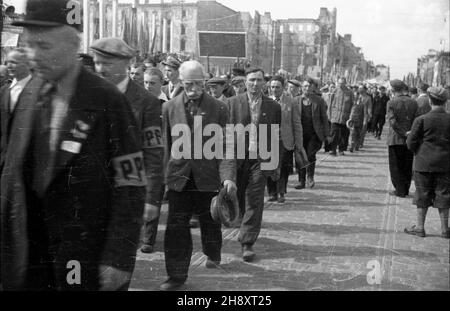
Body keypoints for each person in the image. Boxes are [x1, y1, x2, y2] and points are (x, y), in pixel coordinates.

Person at [1, 0, 146, 290]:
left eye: (44, 46)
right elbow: (11, 170)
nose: (33, 56)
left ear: (72, 44)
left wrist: (119, 256)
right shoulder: (28, 93)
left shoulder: (107, 101)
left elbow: (131, 184)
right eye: (29, 45)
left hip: (82, 252)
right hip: (29, 248)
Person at [160, 60, 236, 290]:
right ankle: (176, 275)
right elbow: (166, 146)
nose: (193, 87)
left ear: (204, 80)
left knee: (210, 222)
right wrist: (163, 181)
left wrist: (228, 176)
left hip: (208, 176)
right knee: (175, 227)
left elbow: (227, 145)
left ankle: (213, 252)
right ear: (181, 82)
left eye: (198, 82)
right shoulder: (169, 108)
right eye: (188, 82)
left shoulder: (219, 108)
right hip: (179, 176)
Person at [90, 37, 164, 256]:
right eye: (97, 62)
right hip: (92, 186)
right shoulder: (89, 94)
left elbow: (153, 153)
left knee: (118, 258)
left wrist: (151, 198)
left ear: (126, 64)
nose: (100, 68)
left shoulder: (147, 102)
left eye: (107, 63)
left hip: (128, 187)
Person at [227, 67, 281, 262]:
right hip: (238, 157)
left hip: (261, 159)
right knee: (239, 195)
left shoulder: (273, 107)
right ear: (245, 82)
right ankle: (240, 221)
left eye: (259, 80)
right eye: (251, 80)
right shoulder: (232, 103)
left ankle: (247, 242)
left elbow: (276, 137)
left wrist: (275, 164)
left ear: (264, 83)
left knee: (255, 198)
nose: (255, 84)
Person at [404, 86, 450, 239]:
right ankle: (445, 229)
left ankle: (420, 227)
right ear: (445, 102)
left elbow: (410, 143)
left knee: (422, 195)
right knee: (444, 195)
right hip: (445, 165)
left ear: (430, 101)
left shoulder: (422, 120)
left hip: (423, 164)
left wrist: (420, 152)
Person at [266, 75, 302, 203]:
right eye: (272, 87)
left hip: (285, 140)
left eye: (277, 87)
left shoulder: (291, 102)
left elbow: (296, 123)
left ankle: (281, 192)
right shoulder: (266, 101)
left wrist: (298, 143)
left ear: (283, 87)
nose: (274, 90)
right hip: (269, 139)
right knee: (270, 166)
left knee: (284, 167)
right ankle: (272, 192)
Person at [1, 48, 34, 171]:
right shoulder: (3, 91)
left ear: (28, 64)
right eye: (7, 61)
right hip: (4, 159)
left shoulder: (39, 90)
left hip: (28, 162)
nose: (9, 66)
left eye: (14, 62)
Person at [295, 79, 331, 189]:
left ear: (313, 88)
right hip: (300, 133)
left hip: (314, 134)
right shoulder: (295, 100)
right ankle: (301, 181)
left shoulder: (319, 101)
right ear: (302, 87)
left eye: (309, 86)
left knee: (310, 155)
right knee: (300, 156)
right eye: (305, 86)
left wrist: (327, 134)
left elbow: (324, 118)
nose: (307, 88)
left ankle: (310, 177)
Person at [386, 80, 418, 198]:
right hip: (409, 138)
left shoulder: (391, 102)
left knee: (395, 165)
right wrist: (410, 133)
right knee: (407, 165)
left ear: (393, 90)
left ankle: (399, 190)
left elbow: (392, 122)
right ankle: (405, 189)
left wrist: (403, 133)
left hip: (395, 138)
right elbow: (417, 120)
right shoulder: (413, 102)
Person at [327, 77, 354, 156]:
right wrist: (329, 114)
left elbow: (353, 105)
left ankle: (341, 150)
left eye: (342, 83)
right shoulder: (335, 91)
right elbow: (330, 104)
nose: (340, 85)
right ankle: (333, 149)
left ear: (345, 83)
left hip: (346, 118)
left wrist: (351, 116)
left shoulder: (350, 92)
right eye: (339, 83)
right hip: (335, 117)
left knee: (344, 135)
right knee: (333, 134)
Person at [357, 84, 373, 149]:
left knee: (363, 130)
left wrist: (369, 115)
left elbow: (370, 107)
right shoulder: (357, 96)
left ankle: (360, 143)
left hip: (365, 115)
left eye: (361, 88)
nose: (360, 90)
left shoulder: (368, 98)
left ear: (365, 90)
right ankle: (355, 142)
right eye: (359, 88)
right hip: (357, 115)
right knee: (356, 129)